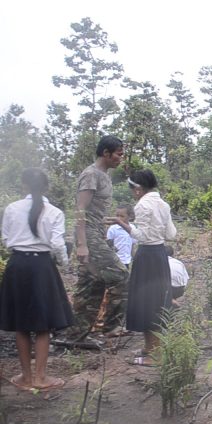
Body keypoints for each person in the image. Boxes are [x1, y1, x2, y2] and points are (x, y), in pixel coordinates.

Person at [0, 168, 73, 390]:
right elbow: (58, 244)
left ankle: (26, 378)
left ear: (23, 186)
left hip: (18, 266)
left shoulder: (12, 209)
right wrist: (65, 265)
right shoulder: (55, 212)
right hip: (42, 267)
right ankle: (41, 378)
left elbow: (5, 239)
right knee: (43, 325)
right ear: (47, 187)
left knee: (21, 324)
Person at [107, 169, 176, 365]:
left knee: (147, 303)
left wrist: (122, 224)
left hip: (146, 256)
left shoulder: (143, 205)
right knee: (156, 301)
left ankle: (155, 355)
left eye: (132, 190)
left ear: (138, 189)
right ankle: (150, 347)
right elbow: (171, 234)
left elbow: (142, 236)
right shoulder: (163, 204)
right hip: (160, 256)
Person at [67, 135, 129, 340]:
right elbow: (80, 209)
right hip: (88, 235)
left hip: (96, 234)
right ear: (106, 153)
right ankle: (111, 328)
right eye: (119, 154)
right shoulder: (91, 174)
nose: (121, 158)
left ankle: (77, 335)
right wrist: (83, 244)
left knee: (91, 283)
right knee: (120, 275)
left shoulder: (104, 176)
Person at [106, 204, 136, 269]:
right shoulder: (113, 229)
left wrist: (134, 259)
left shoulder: (132, 229)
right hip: (115, 261)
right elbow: (109, 245)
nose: (118, 219)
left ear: (130, 217)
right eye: (117, 216)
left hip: (127, 261)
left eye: (122, 216)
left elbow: (132, 246)